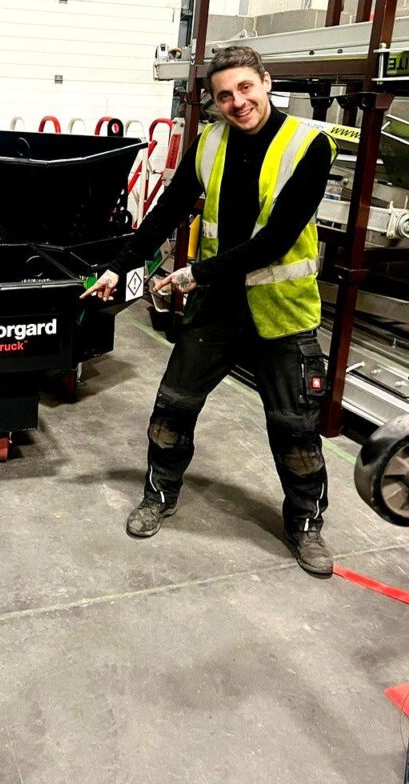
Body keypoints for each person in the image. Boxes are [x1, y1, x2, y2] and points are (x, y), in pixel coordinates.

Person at [81, 46, 338, 577]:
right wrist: (118, 267)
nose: (237, 102)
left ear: (266, 83)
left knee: (294, 429)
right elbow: (166, 212)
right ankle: (159, 495)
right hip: (217, 309)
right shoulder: (210, 142)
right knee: (172, 409)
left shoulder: (309, 145)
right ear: (215, 102)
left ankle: (306, 524)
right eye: (224, 95)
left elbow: (276, 240)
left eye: (245, 88)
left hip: (282, 313)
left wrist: (196, 273)